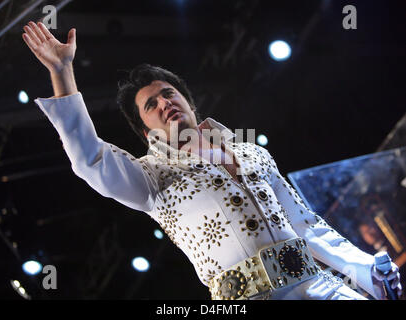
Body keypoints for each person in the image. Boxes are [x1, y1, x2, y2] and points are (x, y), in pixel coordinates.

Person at [22, 21, 402, 300]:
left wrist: (365, 268)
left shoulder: (252, 152)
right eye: (150, 106)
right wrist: (61, 70)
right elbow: (90, 158)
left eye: (168, 94)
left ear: (188, 101)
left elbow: (306, 224)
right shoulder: (151, 179)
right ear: (147, 133)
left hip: (323, 288)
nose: (163, 104)